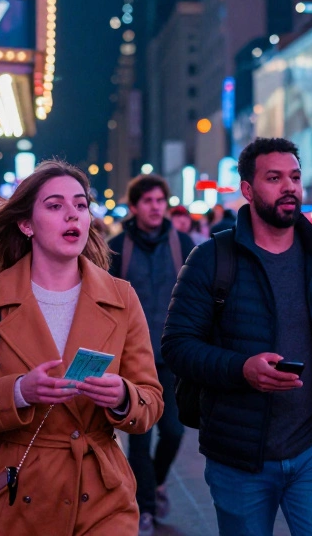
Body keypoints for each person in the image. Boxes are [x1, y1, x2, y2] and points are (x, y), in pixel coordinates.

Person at [0, 160, 163, 535]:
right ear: (26, 224)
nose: (72, 215)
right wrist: (18, 392)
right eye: (55, 206)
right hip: (16, 493)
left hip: (101, 495)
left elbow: (150, 402)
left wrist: (123, 395)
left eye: (80, 204)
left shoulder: (122, 299)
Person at [163, 138, 312, 536]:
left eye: (294, 177)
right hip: (240, 455)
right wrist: (241, 369)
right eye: (274, 178)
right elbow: (177, 345)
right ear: (247, 189)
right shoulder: (212, 259)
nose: (289, 186)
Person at [107, 175, 195, 535]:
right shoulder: (117, 248)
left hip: (173, 357)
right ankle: (144, 507)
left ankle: (155, 485)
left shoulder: (183, 244)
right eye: (148, 201)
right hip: (133, 359)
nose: (156, 206)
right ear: (134, 207)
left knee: (174, 431)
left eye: (160, 200)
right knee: (139, 436)